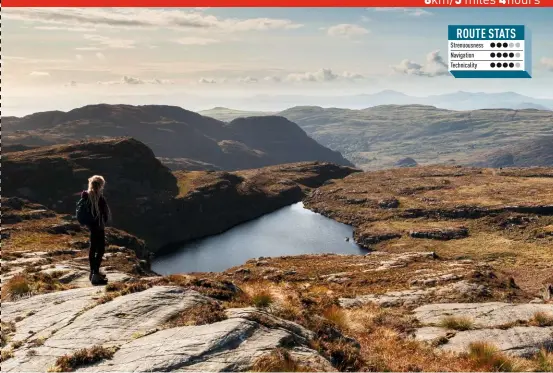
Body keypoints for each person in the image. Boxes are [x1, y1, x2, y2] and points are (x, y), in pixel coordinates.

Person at [81, 175, 111, 285]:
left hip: (91, 226)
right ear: (100, 185)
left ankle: (93, 272)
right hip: (99, 226)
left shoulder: (86, 196)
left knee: (93, 248)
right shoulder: (99, 197)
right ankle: (95, 273)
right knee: (101, 249)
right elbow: (104, 214)